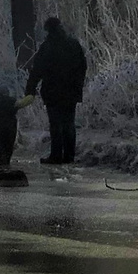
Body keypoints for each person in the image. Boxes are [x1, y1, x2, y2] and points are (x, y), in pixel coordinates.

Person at [25, 16, 88, 165]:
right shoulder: (73, 44)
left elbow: (37, 70)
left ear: (48, 30)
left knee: (55, 125)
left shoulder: (47, 47)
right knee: (69, 124)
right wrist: (78, 85)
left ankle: (56, 156)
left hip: (53, 92)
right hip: (71, 92)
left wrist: (30, 89)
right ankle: (69, 156)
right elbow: (83, 66)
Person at [0, 88, 36, 167]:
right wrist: (31, 96)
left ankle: (2, 157)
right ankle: (7, 159)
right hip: (11, 126)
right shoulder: (12, 101)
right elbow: (23, 103)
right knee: (9, 143)